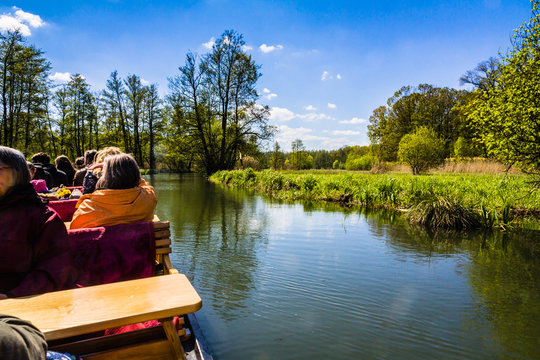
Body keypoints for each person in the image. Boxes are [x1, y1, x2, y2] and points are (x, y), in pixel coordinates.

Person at [0, 146, 72, 298]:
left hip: (19, 303)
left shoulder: (43, 218)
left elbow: (53, 268)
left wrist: (12, 296)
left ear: (17, 173)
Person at [70, 153, 157, 229]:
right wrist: (126, 168)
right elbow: (145, 185)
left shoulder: (88, 207)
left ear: (105, 177)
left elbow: (74, 229)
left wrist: (93, 171)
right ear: (136, 174)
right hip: (139, 247)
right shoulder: (147, 198)